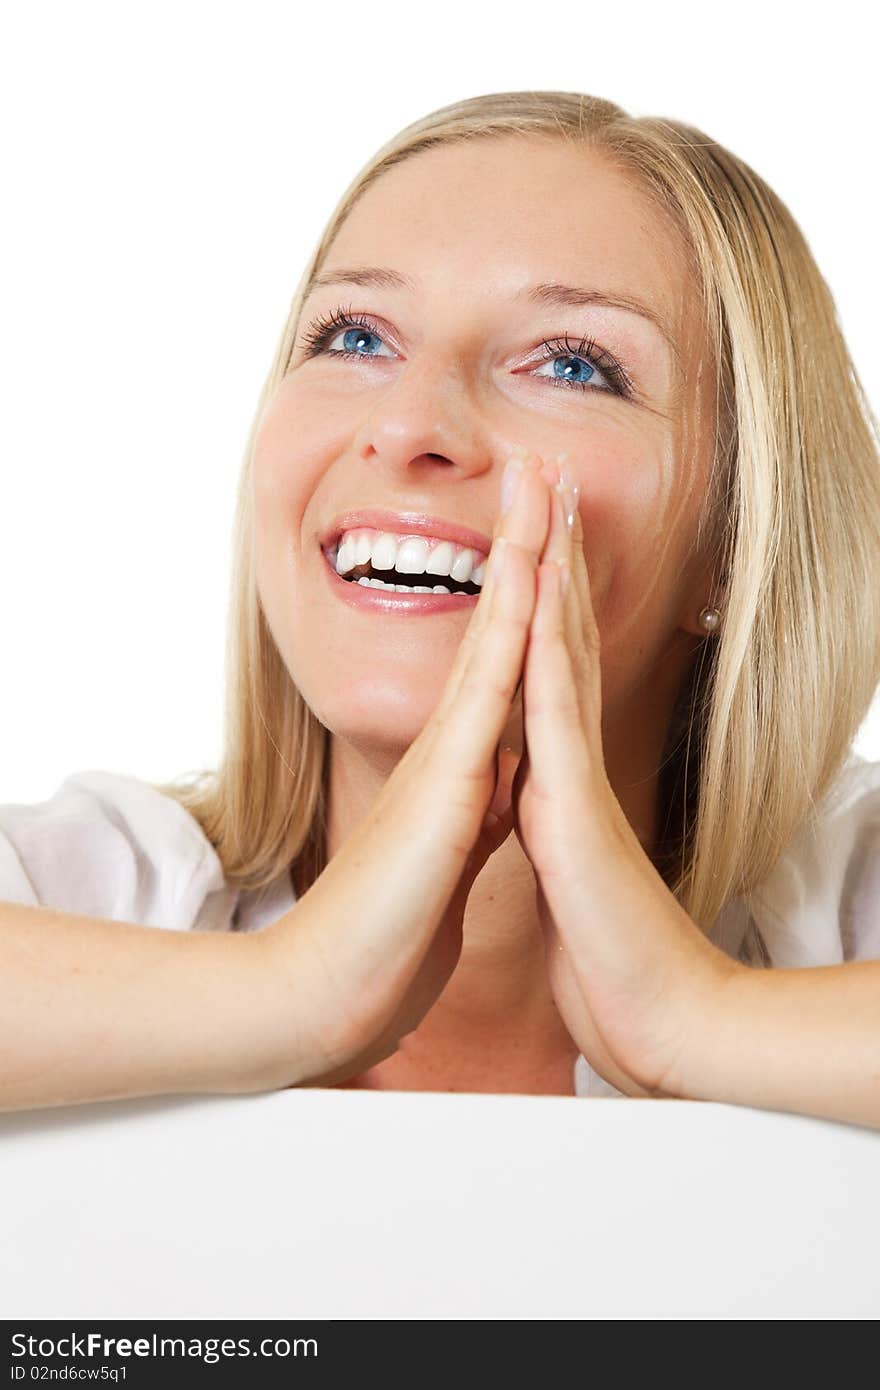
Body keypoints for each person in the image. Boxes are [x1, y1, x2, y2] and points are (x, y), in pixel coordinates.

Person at [2, 90, 880, 1125]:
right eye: (357, 338)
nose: (408, 420)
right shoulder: (84, 888)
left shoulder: (843, 902)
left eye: (570, 363)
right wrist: (292, 990)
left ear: (732, 548)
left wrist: (698, 1017)